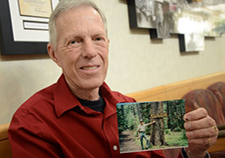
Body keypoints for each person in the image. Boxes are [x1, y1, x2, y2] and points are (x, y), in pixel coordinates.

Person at [8, 0, 218, 158]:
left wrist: (194, 153)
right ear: (54, 54)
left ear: (107, 44)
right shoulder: (31, 123)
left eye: (97, 39)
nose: (90, 52)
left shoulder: (131, 107)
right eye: (74, 41)